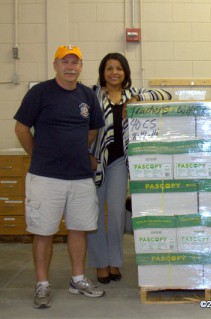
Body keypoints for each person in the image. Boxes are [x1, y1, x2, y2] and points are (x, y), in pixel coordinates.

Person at [14, 45, 106, 309]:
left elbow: (92, 131)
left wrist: (78, 152)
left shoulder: (87, 95)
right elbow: (21, 128)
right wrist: (38, 154)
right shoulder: (40, 93)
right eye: (64, 62)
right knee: (43, 232)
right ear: (55, 65)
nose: (70, 67)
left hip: (79, 178)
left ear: (81, 66)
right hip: (45, 178)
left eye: (74, 62)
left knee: (79, 229)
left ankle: (77, 279)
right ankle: (42, 285)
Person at [87, 53, 171, 284]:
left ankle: (114, 261)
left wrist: (135, 101)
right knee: (94, 216)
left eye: (119, 68)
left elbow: (166, 94)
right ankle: (100, 264)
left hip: (118, 164)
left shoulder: (131, 94)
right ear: (102, 72)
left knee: (115, 215)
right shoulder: (91, 94)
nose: (114, 72)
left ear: (125, 72)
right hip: (95, 162)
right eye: (109, 68)